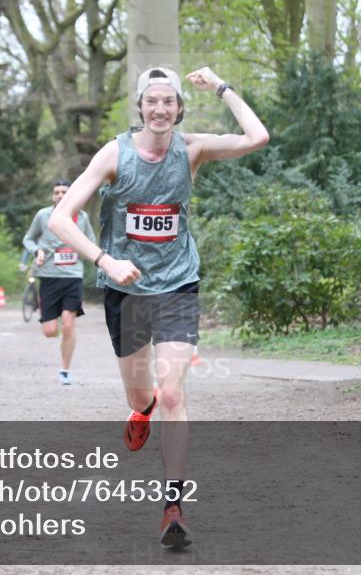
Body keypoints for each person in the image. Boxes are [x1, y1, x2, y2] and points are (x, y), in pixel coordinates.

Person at [49, 66, 269, 548]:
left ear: (179, 107)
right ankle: (141, 409)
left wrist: (223, 88)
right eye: (153, 101)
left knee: (174, 393)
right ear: (141, 107)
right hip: (125, 291)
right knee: (141, 396)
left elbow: (258, 136)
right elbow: (62, 220)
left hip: (176, 285)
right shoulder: (115, 154)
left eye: (169, 101)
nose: (161, 109)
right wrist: (105, 258)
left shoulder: (193, 149)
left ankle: (173, 505)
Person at [21, 180, 97, 385]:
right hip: (48, 276)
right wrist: (37, 250)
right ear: (52, 196)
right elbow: (28, 239)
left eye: (65, 192)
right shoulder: (43, 216)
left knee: (69, 324)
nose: (61, 195)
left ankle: (65, 369)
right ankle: (51, 318)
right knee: (50, 331)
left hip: (73, 276)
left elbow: (90, 242)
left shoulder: (81, 217)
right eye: (57, 192)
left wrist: (87, 252)